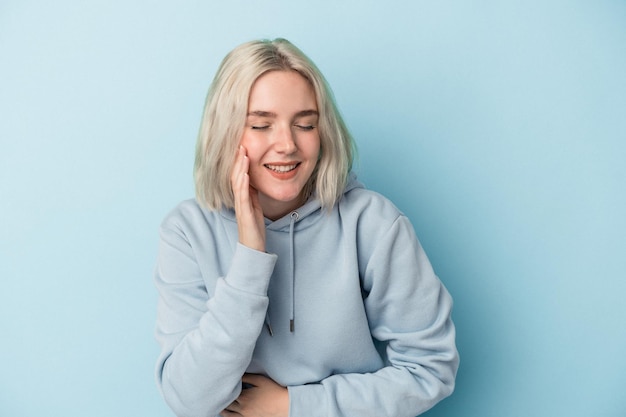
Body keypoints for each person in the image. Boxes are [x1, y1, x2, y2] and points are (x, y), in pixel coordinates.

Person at [154, 38, 459, 417]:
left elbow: (430, 371)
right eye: (261, 125)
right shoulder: (187, 231)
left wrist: (292, 406)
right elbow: (189, 400)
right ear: (226, 133)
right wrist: (250, 256)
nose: (287, 144)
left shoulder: (373, 224)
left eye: (305, 124)